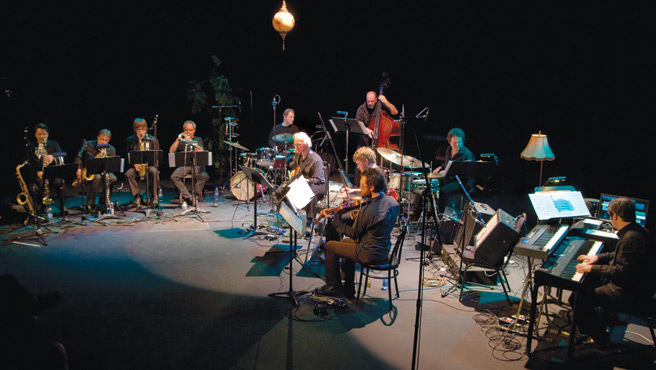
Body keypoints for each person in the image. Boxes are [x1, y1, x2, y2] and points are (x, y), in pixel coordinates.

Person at [572, 197, 654, 345]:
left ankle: (600, 338)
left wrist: (591, 268)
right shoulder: (638, 230)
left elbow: (621, 272)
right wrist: (597, 257)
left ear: (615, 216)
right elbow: (618, 255)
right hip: (639, 285)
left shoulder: (630, 239)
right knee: (589, 282)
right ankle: (599, 320)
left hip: (630, 292)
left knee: (579, 298)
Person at [317, 167, 399, 299]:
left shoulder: (368, 211)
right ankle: (349, 288)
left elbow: (353, 233)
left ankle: (333, 287)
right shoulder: (392, 201)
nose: (360, 189)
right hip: (384, 248)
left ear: (371, 188)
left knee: (330, 246)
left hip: (368, 253)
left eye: (362, 186)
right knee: (344, 243)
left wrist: (334, 219)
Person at [276, 132, 326, 221]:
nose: (296, 147)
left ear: (306, 144)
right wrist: (290, 167)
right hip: (302, 181)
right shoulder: (298, 154)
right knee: (280, 191)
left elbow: (318, 179)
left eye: (298, 145)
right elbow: (294, 164)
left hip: (316, 184)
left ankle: (310, 221)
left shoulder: (316, 159)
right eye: (295, 145)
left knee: (310, 195)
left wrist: (306, 180)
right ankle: (289, 214)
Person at [24, 123, 66, 215]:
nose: (42, 136)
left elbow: (61, 156)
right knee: (38, 184)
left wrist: (53, 157)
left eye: (44, 134)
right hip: (39, 174)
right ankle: (41, 207)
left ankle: (62, 208)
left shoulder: (53, 144)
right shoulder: (31, 147)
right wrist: (37, 173)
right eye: (40, 134)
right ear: (35, 135)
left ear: (48, 134)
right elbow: (30, 164)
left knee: (59, 181)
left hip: (52, 173)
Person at [431, 127, 475, 213]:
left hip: (462, 182)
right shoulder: (449, 149)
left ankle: (441, 213)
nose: (457, 146)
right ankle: (433, 211)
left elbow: (468, 174)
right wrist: (441, 167)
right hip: (450, 179)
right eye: (454, 143)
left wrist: (448, 173)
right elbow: (447, 163)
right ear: (450, 142)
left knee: (443, 191)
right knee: (432, 186)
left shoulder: (467, 155)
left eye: (459, 143)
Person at [75, 129, 117, 212]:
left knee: (113, 178)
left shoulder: (111, 149)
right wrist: (79, 168)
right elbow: (79, 156)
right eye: (102, 139)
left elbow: (112, 165)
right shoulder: (89, 145)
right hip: (90, 171)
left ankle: (104, 200)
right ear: (98, 137)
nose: (103, 142)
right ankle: (90, 204)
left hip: (104, 171)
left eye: (106, 140)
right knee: (97, 178)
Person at [169, 120, 210, 206]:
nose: (188, 132)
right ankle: (189, 197)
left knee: (205, 176)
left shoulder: (198, 139)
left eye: (190, 130)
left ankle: (195, 195)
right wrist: (178, 139)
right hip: (185, 166)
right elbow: (171, 151)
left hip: (197, 166)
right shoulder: (181, 139)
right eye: (186, 130)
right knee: (174, 176)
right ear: (183, 130)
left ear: (194, 130)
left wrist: (190, 141)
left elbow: (201, 150)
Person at [125, 118, 160, 207]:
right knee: (129, 174)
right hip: (137, 167)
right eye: (139, 129)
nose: (141, 131)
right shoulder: (130, 140)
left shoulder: (153, 140)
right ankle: (137, 197)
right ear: (135, 129)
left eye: (143, 129)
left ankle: (154, 197)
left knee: (154, 171)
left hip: (149, 166)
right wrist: (134, 164)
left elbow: (157, 157)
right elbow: (127, 156)